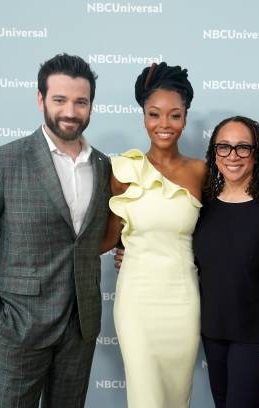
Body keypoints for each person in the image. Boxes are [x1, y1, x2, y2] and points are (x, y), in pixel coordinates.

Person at [0, 54, 110, 407]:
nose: (70, 111)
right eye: (59, 100)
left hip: (80, 329)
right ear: (40, 100)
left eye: (80, 102)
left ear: (91, 106)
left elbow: (93, 238)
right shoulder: (2, 162)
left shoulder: (104, 165)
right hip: (18, 328)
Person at [100, 62, 207, 408]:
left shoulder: (201, 172)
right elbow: (105, 238)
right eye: (155, 114)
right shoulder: (123, 170)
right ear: (143, 116)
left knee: (177, 397)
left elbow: (220, 234)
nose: (164, 124)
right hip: (137, 299)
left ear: (186, 118)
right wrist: (123, 246)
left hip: (183, 299)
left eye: (174, 115)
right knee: (145, 398)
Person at [193, 116, 259, 408]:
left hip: (256, 336)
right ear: (214, 153)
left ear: (257, 152)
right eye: (223, 147)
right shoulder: (203, 203)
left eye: (242, 148)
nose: (232, 156)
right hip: (212, 331)